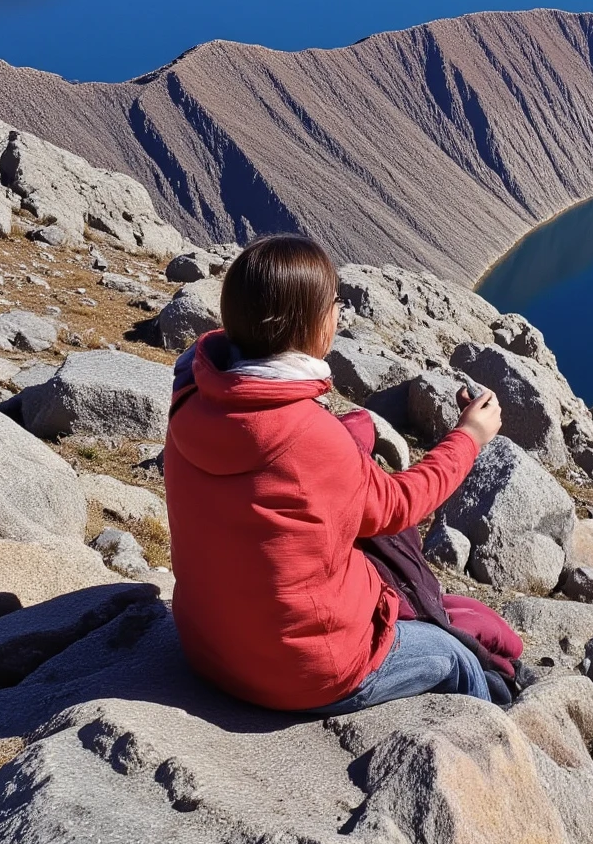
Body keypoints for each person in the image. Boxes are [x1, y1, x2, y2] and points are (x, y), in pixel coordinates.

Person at [163, 231, 507, 713]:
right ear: (310, 323)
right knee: (458, 659)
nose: (338, 313)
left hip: (207, 649)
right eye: (334, 304)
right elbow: (398, 504)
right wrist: (469, 436)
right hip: (302, 674)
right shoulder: (307, 435)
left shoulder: (190, 401)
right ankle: (494, 733)